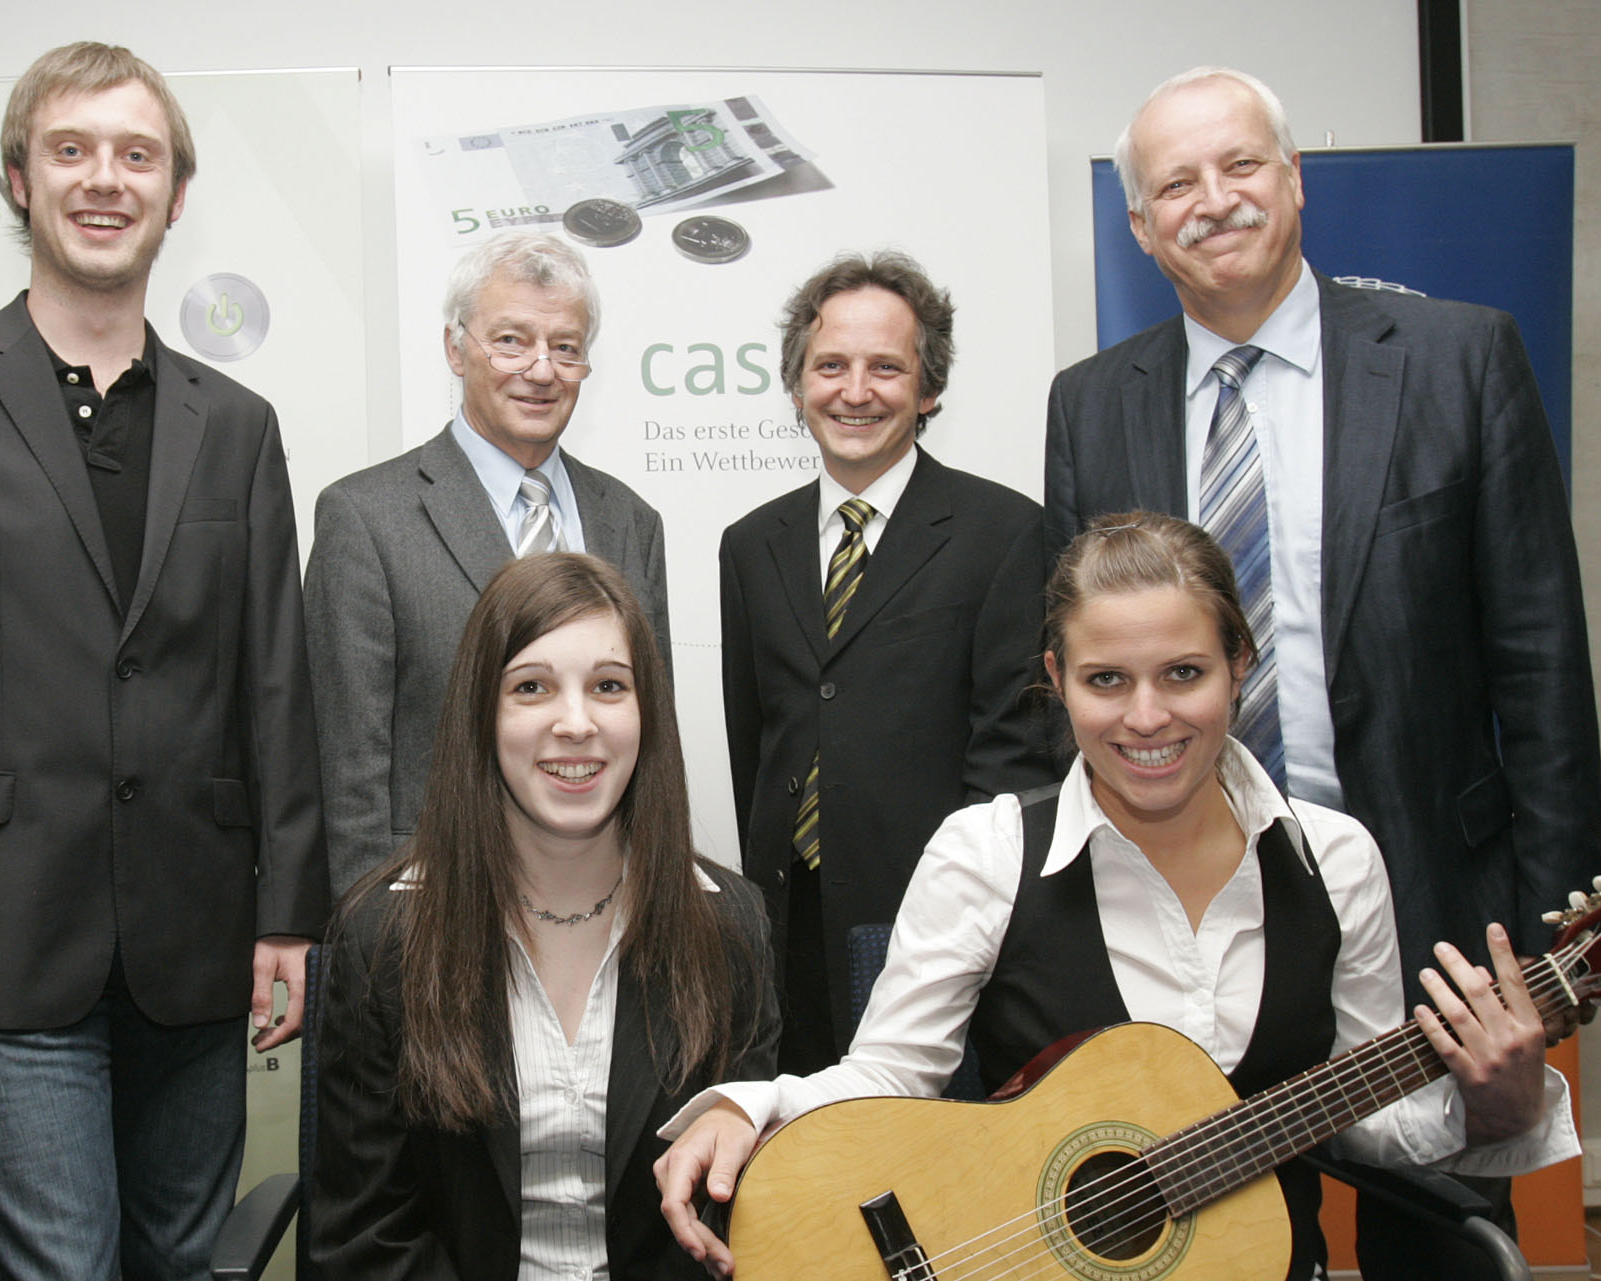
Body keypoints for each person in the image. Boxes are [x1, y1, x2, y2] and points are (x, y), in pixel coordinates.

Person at [656, 512, 1577, 1281]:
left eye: (1184, 672)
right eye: (1107, 680)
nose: (1146, 717)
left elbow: (1369, 1116)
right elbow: (890, 1074)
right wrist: (746, 1107)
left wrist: (1498, 1103)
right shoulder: (988, 853)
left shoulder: (1333, 860)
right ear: (1056, 679)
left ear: (1240, 664)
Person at [0, 42, 327, 1281]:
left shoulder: (237, 425)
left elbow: (274, 681)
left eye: (136, 155)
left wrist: (290, 914)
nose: (106, 179)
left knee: (179, 1260)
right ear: (18, 180)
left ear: (176, 193)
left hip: (196, 949)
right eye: (72, 150)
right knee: (57, 1259)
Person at [1042, 67, 1600, 1005]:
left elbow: (1542, 669)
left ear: (1294, 178)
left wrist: (1552, 945)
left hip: (1435, 900)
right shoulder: (1090, 405)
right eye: (1177, 184)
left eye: (1241, 166)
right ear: (1139, 225)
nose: (1213, 202)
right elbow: (1077, 682)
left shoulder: (1459, 361)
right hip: (1178, 917)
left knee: (1423, 1114)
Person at [311, 553, 779, 1280]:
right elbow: (364, 1239)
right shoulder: (382, 938)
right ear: (482, 714)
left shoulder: (731, 928)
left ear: (647, 713)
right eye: (531, 687)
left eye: (609, 686)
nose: (576, 723)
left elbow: (748, 1217)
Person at [720, 250, 1052, 1074]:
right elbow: (753, 745)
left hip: (934, 926)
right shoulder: (751, 544)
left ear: (928, 388)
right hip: (787, 928)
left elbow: (1013, 759)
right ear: (797, 385)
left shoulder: (1004, 533)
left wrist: (969, 915)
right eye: (830, 365)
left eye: (886, 367)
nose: (855, 390)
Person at [307, 232, 670, 899]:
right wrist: (371, 926)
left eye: (566, 347)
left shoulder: (630, 521)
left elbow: (651, 741)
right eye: (510, 341)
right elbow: (350, 765)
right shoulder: (365, 518)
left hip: (604, 905)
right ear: (455, 348)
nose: (542, 370)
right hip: (432, 905)